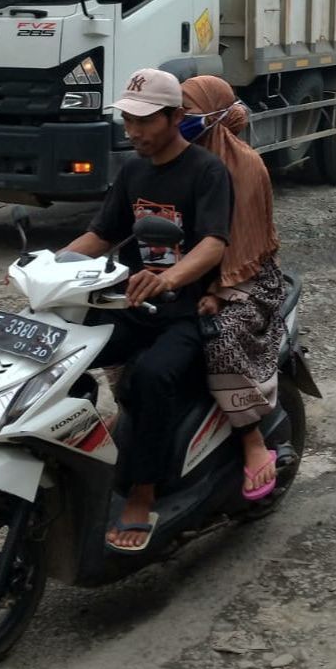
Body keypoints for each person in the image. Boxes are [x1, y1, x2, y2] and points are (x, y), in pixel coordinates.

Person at [65, 68, 233, 553]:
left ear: (176, 117)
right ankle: (78, 453)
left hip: (184, 312)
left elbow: (213, 243)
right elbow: (101, 234)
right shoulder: (133, 171)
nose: (134, 131)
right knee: (66, 355)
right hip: (130, 304)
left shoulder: (206, 171)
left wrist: (169, 279)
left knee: (152, 377)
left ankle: (142, 492)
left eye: (145, 121)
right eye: (128, 121)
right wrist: (48, 267)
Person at [180, 75, 285, 501]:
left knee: (219, 339)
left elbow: (243, 243)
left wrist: (218, 291)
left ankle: (252, 439)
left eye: (188, 114)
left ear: (212, 116)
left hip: (247, 278)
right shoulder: (175, 159)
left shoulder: (244, 166)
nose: (179, 122)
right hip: (188, 276)